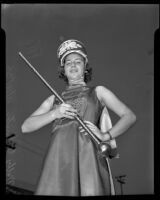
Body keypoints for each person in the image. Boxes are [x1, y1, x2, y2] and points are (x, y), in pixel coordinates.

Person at [21, 39, 136, 196]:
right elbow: (26, 126)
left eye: (78, 62)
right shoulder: (53, 99)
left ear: (85, 67)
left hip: (89, 160)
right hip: (57, 162)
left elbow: (129, 116)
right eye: (68, 63)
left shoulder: (98, 92)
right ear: (64, 70)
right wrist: (55, 113)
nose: (73, 65)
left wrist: (105, 135)